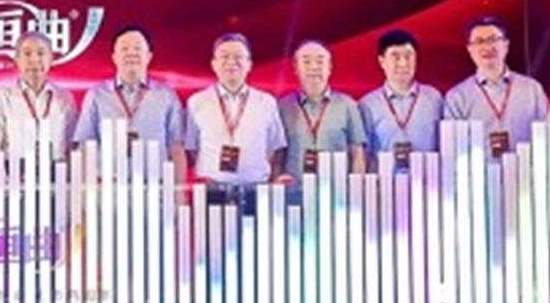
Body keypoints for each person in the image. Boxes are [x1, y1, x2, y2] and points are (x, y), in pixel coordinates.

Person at [73, 25, 188, 179]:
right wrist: (85, 187)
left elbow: (176, 147)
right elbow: (85, 145)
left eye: (137, 48)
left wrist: (178, 189)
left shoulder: (167, 96)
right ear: (114, 57)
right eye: (125, 49)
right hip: (109, 183)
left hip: (155, 183)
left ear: (149, 56)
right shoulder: (96, 95)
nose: (131, 53)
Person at [184, 33, 286, 203]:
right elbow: (192, 148)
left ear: (249, 64)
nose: (231, 62)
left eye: (238, 56)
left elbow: (275, 148)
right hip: (212, 191)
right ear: (214, 64)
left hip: (255, 190)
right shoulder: (197, 102)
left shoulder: (267, 102)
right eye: (224, 57)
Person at [443, 16, 550, 159]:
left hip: (525, 170)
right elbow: (454, 149)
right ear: (469, 49)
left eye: (493, 39)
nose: (487, 47)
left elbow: (547, 139)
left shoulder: (532, 90)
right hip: (479, 172)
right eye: (479, 41)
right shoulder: (457, 97)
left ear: (506, 45)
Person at [277, 40, 366, 196]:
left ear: (330, 67)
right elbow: (278, 154)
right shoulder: (283, 107)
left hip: (337, 194)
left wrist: (356, 192)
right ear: (296, 68)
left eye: (320, 61)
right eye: (306, 62)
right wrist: (276, 183)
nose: (313, 67)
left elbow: (357, 153)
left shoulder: (347, 105)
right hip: (294, 194)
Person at [357, 29, 443, 170]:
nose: (403, 63)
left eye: (408, 56)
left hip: (427, 179)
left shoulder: (434, 98)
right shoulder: (367, 105)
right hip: (384, 181)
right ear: (381, 61)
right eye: (395, 57)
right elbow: (363, 154)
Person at [0, 32, 77, 161]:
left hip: (56, 167)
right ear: (16, 59)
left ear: (51, 58)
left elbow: (72, 142)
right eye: (27, 54)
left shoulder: (64, 97)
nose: (34, 60)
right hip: (14, 168)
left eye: (41, 53)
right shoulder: (1, 96)